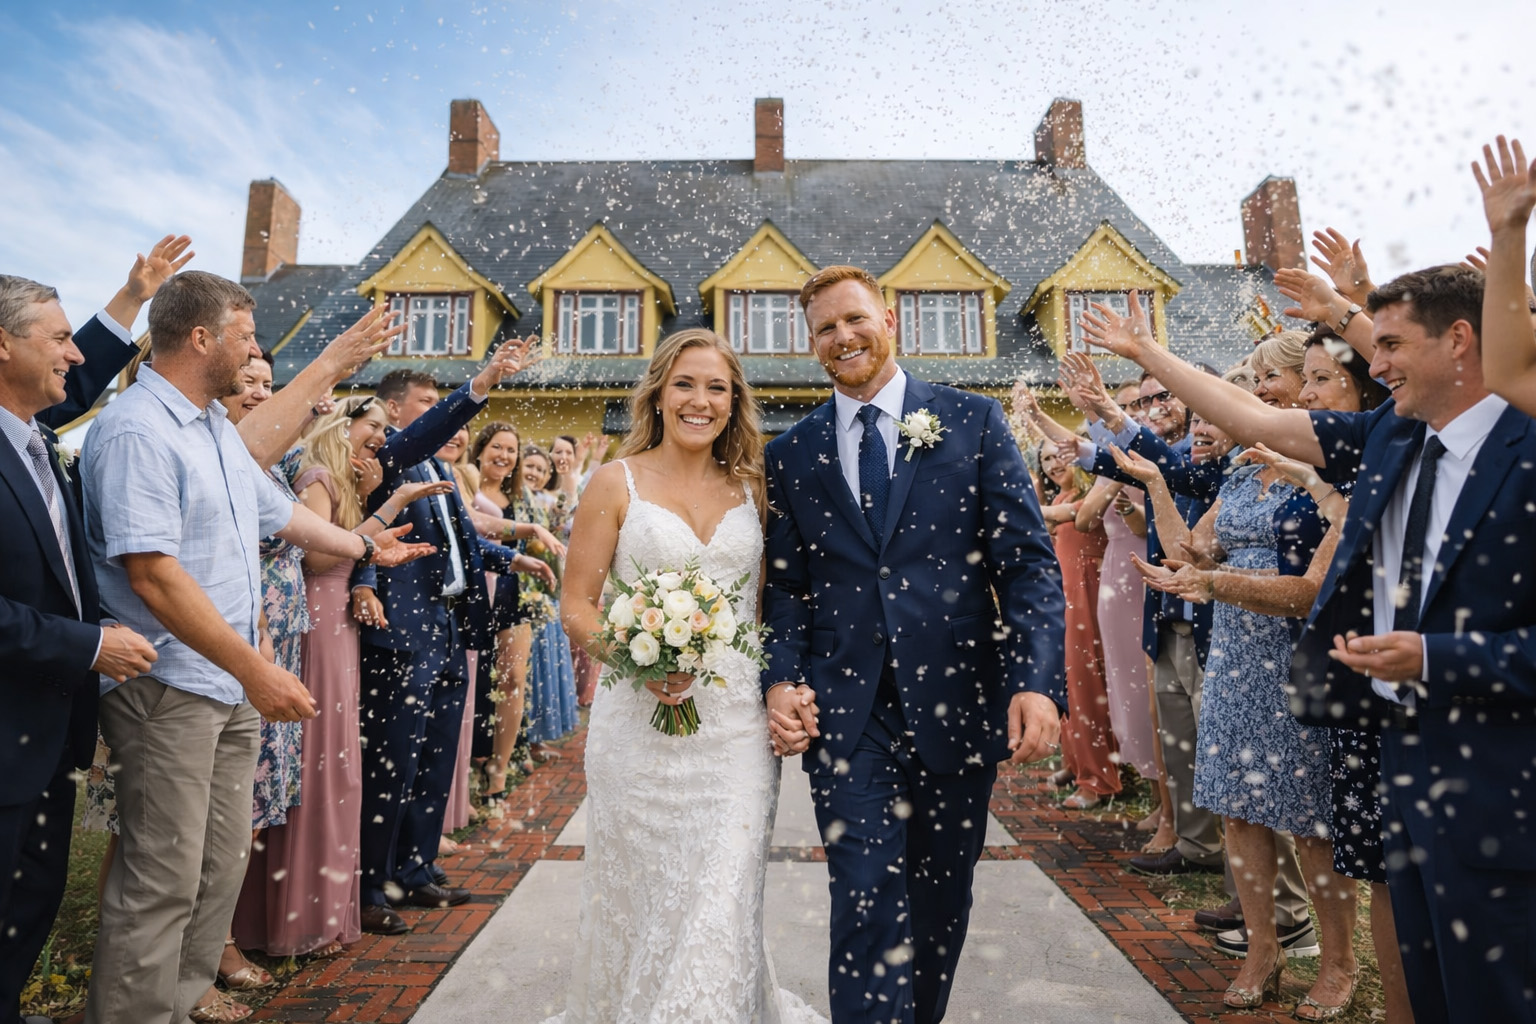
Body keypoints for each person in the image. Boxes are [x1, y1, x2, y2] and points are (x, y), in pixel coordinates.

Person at [1083, 251, 1536, 1023]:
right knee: (1422, 969)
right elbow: (1252, 420)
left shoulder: (1519, 453)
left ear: (1460, 341)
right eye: (1370, 346)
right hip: (1390, 735)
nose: (1373, 359)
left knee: (1496, 982)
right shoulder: (1392, 437)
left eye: (1387, 347)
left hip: (1497, 763)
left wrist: (1435, 656)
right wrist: (1146, 352)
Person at [80, 270, 432, 1024]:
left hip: (229, 685)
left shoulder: (209, 427)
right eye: (244, 335)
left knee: (218, 863)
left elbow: (281, 514)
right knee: (161, 877)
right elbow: (153, 576)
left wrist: (364, 545)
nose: (252, 353)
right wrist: (255, 670)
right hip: (170, 684)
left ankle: (180, 1000)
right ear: (201, 337)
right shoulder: (137, 429)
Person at [762, 266, 1066, 1024]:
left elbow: (1027, 564)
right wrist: (781, 679)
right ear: (811, 345)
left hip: (958, 703)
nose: (843, 338)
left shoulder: (973, 422)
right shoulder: (792, 454)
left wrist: (1036, 680)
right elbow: (786, 591)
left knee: (938, 902)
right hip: (846, 713)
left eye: (854, 320)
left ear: (889, 318)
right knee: (863, 899)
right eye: (825, 329)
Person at [555, 328, 822, 1022]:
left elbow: (774, 604)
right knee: (641, 897)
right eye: (685, 384)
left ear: (735, 403)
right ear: (658, 393)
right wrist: (633, 656)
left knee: (721, 895)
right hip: (635, 732)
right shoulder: (615, 482)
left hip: (733, 730)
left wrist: (785, 686)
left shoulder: (758, 490)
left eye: (717, 388)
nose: (699, 401)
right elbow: (577, 605)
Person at [0, 238, 188, 1024]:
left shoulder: (36, 435)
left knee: (29, 900)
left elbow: (79, 381)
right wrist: (89, 646)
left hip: (49, 730)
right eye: (57, 337)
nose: (73, 355)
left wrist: (133, 294)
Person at [349, 351, 553, 936]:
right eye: (432, 408)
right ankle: (373, 885)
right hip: (402, 638)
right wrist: (480, 386)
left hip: (449, 629)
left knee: (436, 756)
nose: (452, 425)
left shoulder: (439, 475)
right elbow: (419, 439)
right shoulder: (388, 461)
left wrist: (516, 558)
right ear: (394, 412)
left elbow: (463, 548)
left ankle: (417, 869)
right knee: (392, 762)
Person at [466, 423, 565, 798]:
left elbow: (552, 524)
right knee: (476, 683)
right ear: (480, 449)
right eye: (497, 447)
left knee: (512, 681)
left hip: (515, 593)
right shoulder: (465, 484)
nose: (504, 456)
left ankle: (499, 768)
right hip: (476, 591)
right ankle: (469, 764)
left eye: (511, 450)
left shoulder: (521, 495)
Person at [1037, 436, 1119, 809]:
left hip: (1088, 596)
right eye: (1046, 459)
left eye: (1059, 456)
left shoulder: (1088, 497)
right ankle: (1076, 761)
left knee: (1087, 686)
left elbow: (1072, 520)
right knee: (1069, 683)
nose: (1053, 464)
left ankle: (1098, 779)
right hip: (1065, 599)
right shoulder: (1057, 498)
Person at [517, 442, 580, 758]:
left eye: (542, 470)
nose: (535, 474)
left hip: (545, 595)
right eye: (529, 466)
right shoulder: (515, 500)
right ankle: (522, 741)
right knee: (526, 671)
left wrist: (568, 473)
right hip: (521, 592)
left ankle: (536, 738)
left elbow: (562, 513)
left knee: (542, 670)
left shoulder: (541, 502)